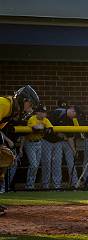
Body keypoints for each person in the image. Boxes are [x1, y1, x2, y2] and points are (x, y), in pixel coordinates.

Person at [0, 85, 39, 215]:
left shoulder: (11, 110)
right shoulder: (4, 104)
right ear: (24, 100)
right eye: (30, 104)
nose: (30, 108)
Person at [42, 105, 79, 189]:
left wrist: (74, 150)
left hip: (58, 142)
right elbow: (48, 126)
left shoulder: (71, 121)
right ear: (72, 110)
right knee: (46, 163)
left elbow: (69, 138)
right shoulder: (58, 112)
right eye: (75, 113)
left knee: (57, 163)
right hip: (47, 140)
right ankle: (45, 185)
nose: (75, 116)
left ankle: (57, 185)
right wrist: (59, 134)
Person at [25, 103, 53, 189]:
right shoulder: (32, 118)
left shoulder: (45, 119)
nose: (44, 114)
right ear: (37, 112)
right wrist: (42, 128)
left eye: (44, 112)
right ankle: (29, 184)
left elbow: (50, 129)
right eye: (41, 112)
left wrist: (42, 128)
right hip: (30, 143)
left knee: (36, 165)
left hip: (39, 143)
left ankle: (31, 184)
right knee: (33, 165)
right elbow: (35, 128)